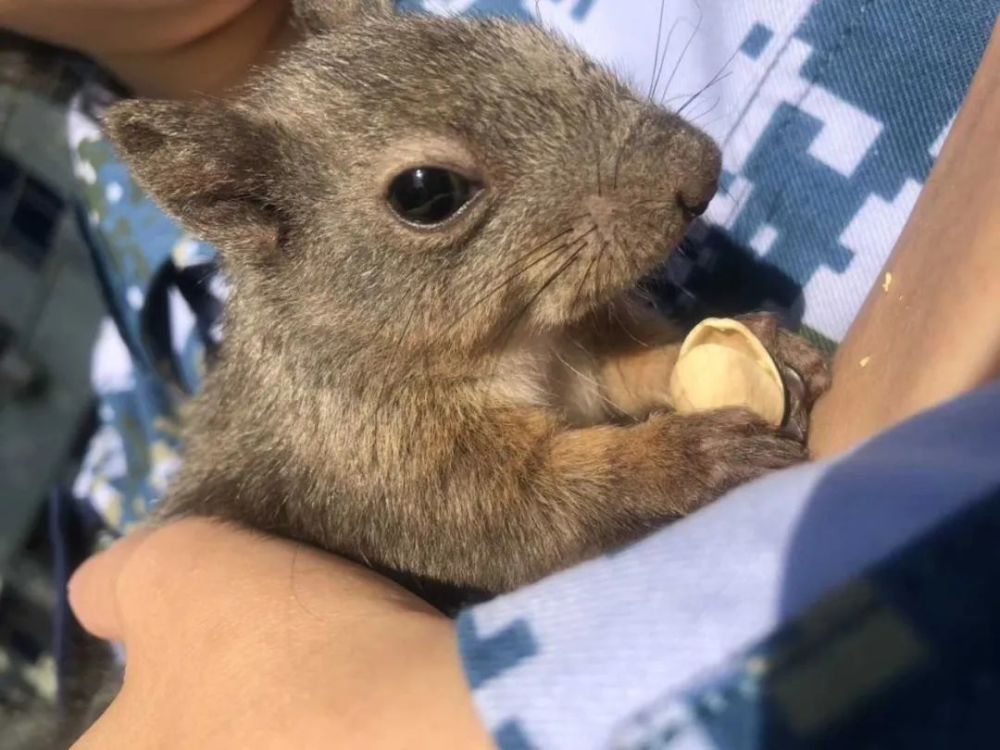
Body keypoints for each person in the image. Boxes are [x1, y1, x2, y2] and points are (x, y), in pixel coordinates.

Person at [1, 1, 998, 747]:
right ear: (240, 207)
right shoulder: (242, 407)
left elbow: (597, 361)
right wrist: (648, 468)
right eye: (432, 196)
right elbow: (498, 503)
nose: (683, 178)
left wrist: (673, 378)